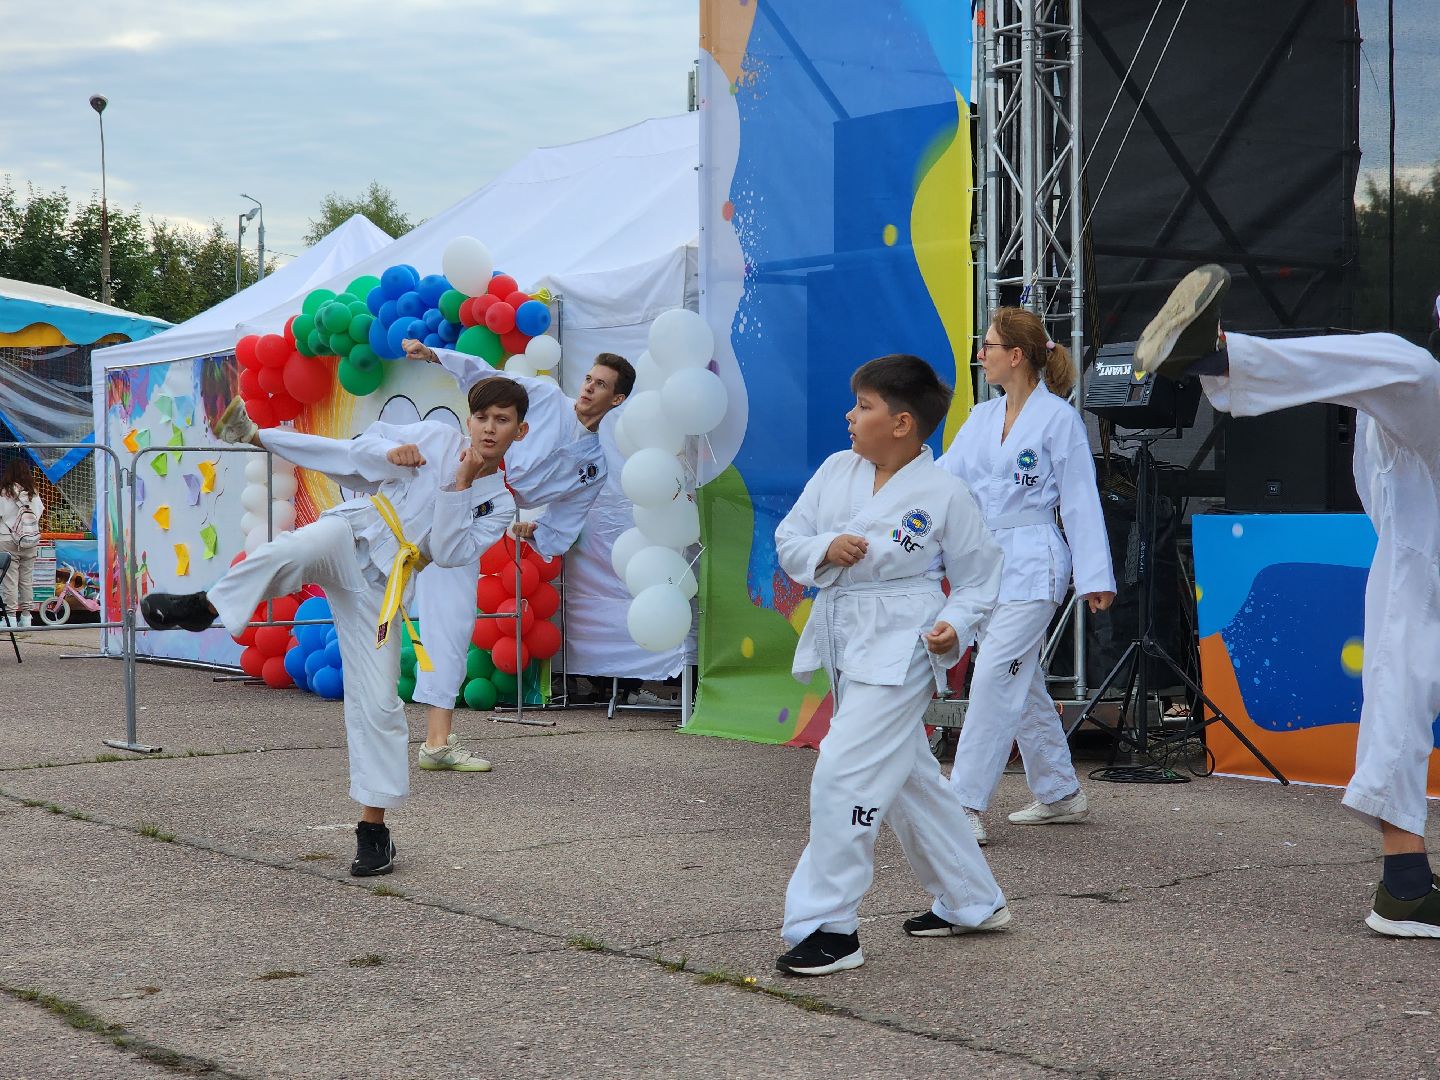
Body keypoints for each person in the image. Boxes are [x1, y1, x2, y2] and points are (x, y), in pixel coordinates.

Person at [1135, 263, 1440, 938]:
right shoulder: (1409, 395)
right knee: (1400, 696)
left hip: (1419, 560)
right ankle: (1406, 887)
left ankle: (1407, 886)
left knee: (1402, 695)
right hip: (1423, 561)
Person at [141, 379, 525, 877]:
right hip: (354, 530)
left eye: (503, 420)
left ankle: (373, 830)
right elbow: (354, 456)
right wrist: (392, 451)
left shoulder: (498, 504)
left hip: (385, 589)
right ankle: (209, 605)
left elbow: (450, 552)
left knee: (380, 702)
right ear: (468, 419)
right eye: (482, 417)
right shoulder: (436, 439)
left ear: (520, 429)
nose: (490, 428)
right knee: (289, 550)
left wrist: (460, 485)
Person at [773, 354, 1011, 977]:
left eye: (864, 405)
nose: (850, 416)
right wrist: (826, 546)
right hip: (844, 632)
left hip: (903, 637)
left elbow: (982, 576)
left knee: (844, 772)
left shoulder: (944, 493)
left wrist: (954, 625)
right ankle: (972, 900)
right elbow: (789, 538)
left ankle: (831, 925)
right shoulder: (834, 471)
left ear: (902, 423)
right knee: (908, 775)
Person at [936, 308, 1116, 844]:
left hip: (1036, 561)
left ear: (1015, 355)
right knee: (1021, 678)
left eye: (988, 345)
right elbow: (945, 480)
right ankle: (1060, 792)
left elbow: (1081, 500)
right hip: (986, 561)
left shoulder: (1059, 420)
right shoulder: (982, 418)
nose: (980, 354)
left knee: (994, 675)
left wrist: (1095, 576)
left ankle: (962, 802)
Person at [403, 339, 635, 707]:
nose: (589, 387)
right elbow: (486, 377)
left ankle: (436, 720)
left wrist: (539, 534)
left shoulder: (594, 465)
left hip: (490, 509)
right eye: (589, 378)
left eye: (601, 384)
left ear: (617, 400)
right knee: (389, 557)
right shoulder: (544, 397)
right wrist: (435, 355)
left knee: (454, 610)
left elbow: (567, 518)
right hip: (459, 473)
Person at [0, 454, 44, 629]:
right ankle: (26, 617)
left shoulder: (5, 492)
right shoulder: (33, 493)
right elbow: (39, 513)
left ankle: (9, 617)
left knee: (9, 581)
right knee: (26, 580)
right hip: (30, 541)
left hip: (7, 540)